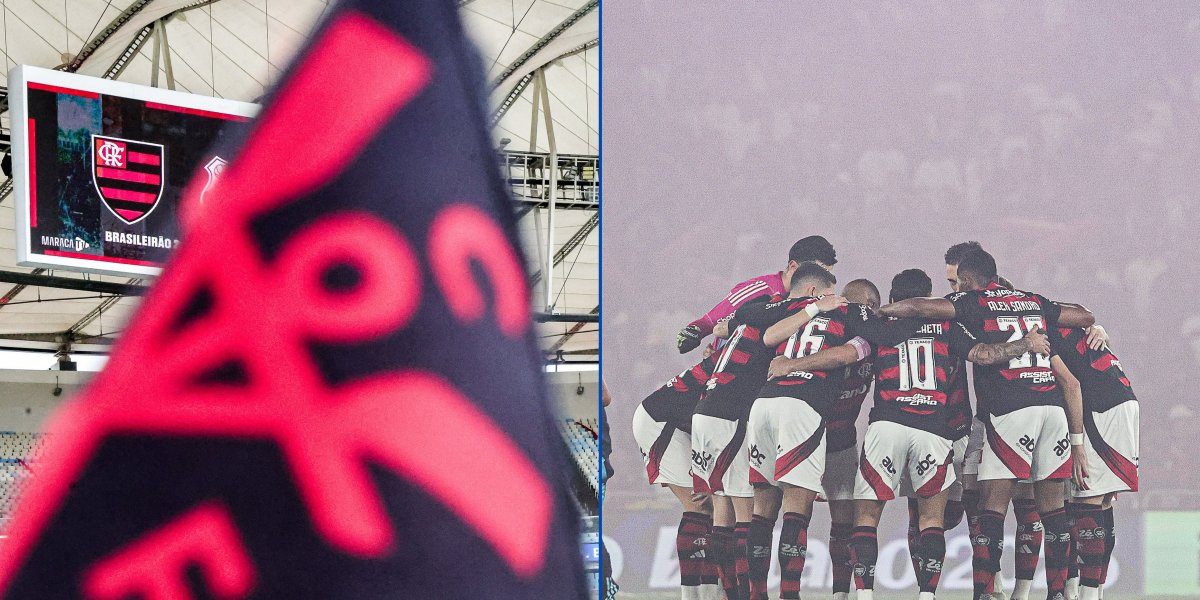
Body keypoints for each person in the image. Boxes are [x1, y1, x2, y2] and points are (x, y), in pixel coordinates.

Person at [771, 268, 1051, 600]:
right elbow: (984, 355)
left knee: (867, 515)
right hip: (933, 429)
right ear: (927, 298)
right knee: (931, 518)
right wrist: (1026, 343)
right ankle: (930, 595)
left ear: (891, 299)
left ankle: (863, 595)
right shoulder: (948, 326)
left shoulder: (878, 327)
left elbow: (845, 354)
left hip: (887, 426)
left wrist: (793, 364)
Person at [878, 248, 1095, 600]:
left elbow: (919, 307)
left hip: (1011, 407)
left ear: (965, 281)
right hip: (1052, 406)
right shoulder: (1032, 300)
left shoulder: (974, 302)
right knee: (1052, 508)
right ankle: (1058, 593)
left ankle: (984, 593)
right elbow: (1084, 315)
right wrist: (1094, 326)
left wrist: (880, 311)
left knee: (991, 506)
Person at [743, 264, 919, 600]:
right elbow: (844, 354)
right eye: (852, 303)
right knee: (791, 508)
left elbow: (758, 325)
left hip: (835, 434)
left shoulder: (815, 321)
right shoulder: (852, 327)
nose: (855, 310)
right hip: (807, 417)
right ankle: (784, 594)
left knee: (840, 516)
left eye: (863, 305)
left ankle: (839, 593)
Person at [691, 282, 847, 600]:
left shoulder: (758, 315)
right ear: (815, 286)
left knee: (739, 511)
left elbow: (746, 315)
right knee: (791, 505)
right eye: (830, 284)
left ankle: (745, 595)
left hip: (730, 409)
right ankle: (787, 595)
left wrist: (725, 326)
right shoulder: (819, 316)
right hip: (756, 412)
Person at [1050, 326, 1139, 600]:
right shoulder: (1071, 330)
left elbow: (1072, 385)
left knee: (1085, 499)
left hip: (1102, 408)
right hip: (1123, 401)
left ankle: (1085, 595)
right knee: (1101, 503)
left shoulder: (1037, 332)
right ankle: (1095, 592)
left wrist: (1077, 444)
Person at [676, 236, 837, 354]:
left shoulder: (816, 299)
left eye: (826, 275)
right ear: (793, 267)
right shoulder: (759, 290)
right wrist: (693, 332)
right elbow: (708, 322)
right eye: (816, 273)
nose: (822, 281)